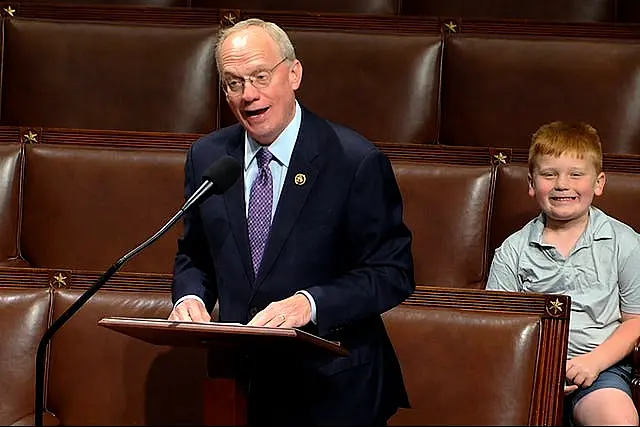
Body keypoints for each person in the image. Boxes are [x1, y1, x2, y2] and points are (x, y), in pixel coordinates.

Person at [167, 18, 415, 426]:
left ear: (294, 73)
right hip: (239, 388)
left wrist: (310, 303)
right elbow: (194, 254)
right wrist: (189, 297)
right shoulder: (209, 158)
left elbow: (393, 272)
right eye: (234, 83)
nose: (249, 95)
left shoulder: (353, 160)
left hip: (332, 390)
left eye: (261, 76)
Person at [486, 121, 640, 426]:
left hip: (600, 368)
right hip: (527, 369)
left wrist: (592, 363)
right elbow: (496, 328)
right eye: (549, 174)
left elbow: (636, 320)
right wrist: (536, 372)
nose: (561, 184)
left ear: (598, 183)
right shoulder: (513, 251)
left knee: (617, 419)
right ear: (531, 184)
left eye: (576, 174)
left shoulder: (625, 242)